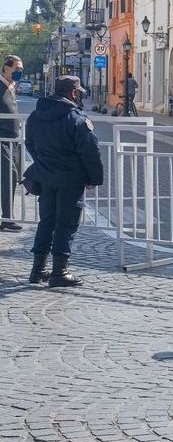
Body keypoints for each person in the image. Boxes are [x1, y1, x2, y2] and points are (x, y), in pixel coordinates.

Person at [23, 76, 103, 287]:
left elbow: (29, 143)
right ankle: (60, 272)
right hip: (71, 179)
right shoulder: (76, 118)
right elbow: (90, 153)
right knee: (65, 225)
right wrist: (94, 178)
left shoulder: (36, 115)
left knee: (47, 222)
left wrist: (43, 163)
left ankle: (38, 270)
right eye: (79, 94)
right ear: (73, 93)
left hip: (46, 177)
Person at [0, 55, 24, 233]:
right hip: (2, 140)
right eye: (16, 68)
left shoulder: (11, 86)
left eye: (20, 69)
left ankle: (7, 216)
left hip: (13, 141)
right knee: (9, 176)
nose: (19, 71)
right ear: (6, 68)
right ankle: (8, 218)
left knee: (13, 176)